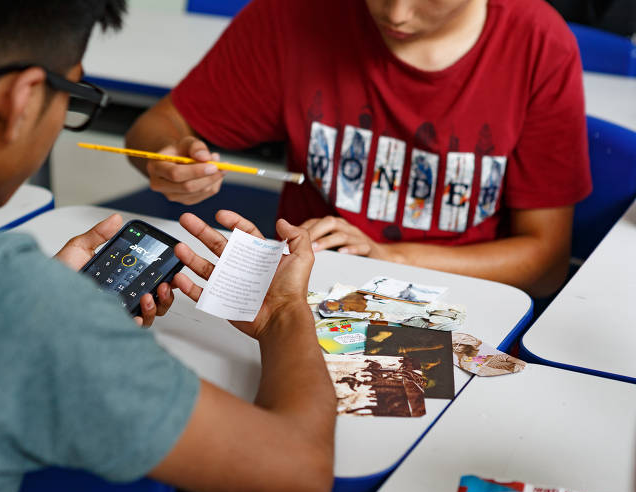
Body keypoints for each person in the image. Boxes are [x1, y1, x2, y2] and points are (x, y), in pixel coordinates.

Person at [0, 2, 336, 492]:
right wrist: (283, 311)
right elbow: (298, 476)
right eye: (73, 95)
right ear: (22, 99)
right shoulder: (23, 307)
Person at [125, 0, 592, 298]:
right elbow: (156, 127)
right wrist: (167, 159)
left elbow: (546, 263)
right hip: (314, 289)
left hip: (466, 296)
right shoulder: (293, 17)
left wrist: (390, 256)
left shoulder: (538, 45)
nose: (397, 13)